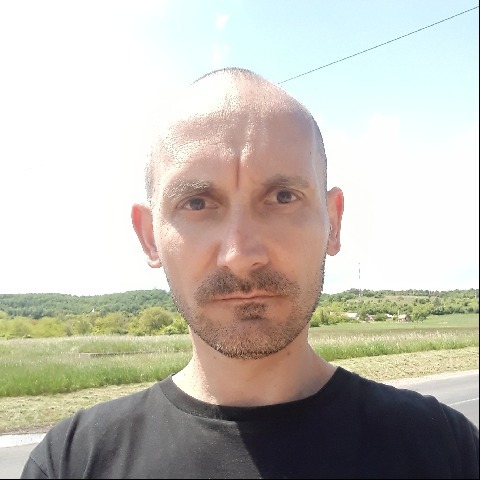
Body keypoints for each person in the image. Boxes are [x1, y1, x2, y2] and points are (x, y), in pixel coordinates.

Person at [21, 67, 478, 479]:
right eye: (197, 203)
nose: (240, 256)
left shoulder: (447, 451)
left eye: (282, 197)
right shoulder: (72, 463)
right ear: (149, 236)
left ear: (333, 223)